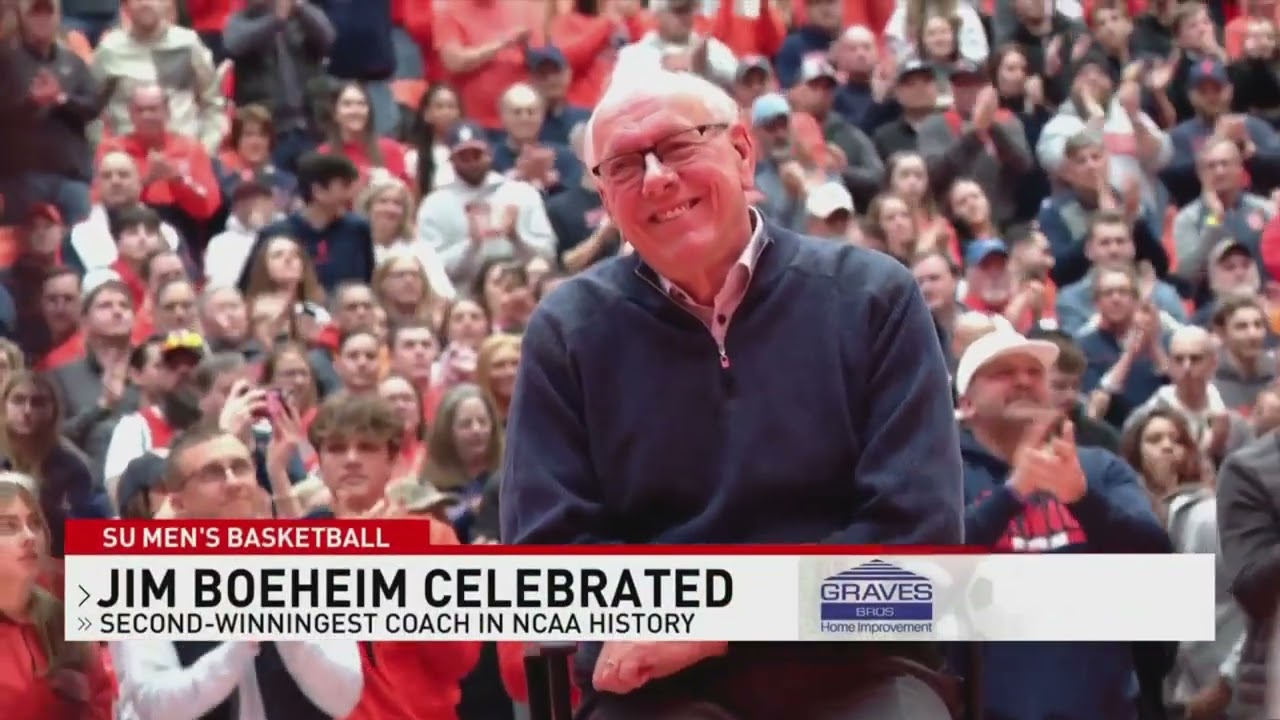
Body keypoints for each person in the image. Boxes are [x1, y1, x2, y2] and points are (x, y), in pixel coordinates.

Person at [501, 69, 962, 718]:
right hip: (654, 687)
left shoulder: (873, 297)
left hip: (854, 667)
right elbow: (551, 560)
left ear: (743, 153)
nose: (657, 176)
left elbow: (915, 547)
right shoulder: (567, 330)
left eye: (680, 145)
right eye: (625, 166)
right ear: (604, 197)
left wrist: (720, 623)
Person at [953, 330, 1170, 718]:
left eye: (1034, 372)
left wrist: (1083, 499)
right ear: (965, 403)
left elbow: (1156, 560)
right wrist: (1012, 494)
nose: (1022, 380)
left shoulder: (1098, 469)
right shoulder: (941, 478)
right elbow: (924, 578)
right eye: (1002, 372)